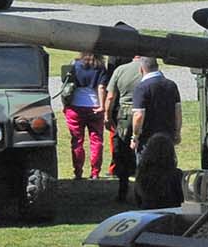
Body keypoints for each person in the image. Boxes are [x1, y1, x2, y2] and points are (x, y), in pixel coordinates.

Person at [61, 51, 110, 180]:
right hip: (94, 107)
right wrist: (102, 106)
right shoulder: (100, 67)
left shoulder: (74, 64)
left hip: (75, 106)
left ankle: (78, 172)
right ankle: (95, 172)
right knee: (96, 141)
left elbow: (66, 86)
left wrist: (65, 104)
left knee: (77, 141)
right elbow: (101, 87)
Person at [105, 45, 144, 202]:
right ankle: (142, 191)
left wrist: (107, 116)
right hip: (144, 113)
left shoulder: (120, 70)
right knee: (142, 149)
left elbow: (110, 97)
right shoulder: (148, 69)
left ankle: (122, 190)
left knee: (121, 151)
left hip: (125, 114)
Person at [128, 57, 181, 154]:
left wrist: (135, 137)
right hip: (167, 136)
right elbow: (177, 111)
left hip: (147, 139)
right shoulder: (171, 85)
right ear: (157, 67)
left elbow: (138, 115)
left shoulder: (141, 88)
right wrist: (177, 132)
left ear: (141, 69)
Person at [134, 132, 184, 209]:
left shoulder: (142, 173)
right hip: (170, 211)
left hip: (147, 211)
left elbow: (138, 199)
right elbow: (181, 199)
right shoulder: (177, 175)